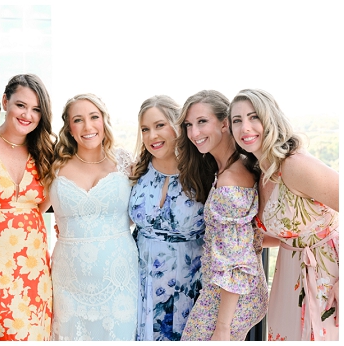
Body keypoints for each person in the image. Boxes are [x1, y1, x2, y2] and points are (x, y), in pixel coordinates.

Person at [229, 89, 338, 341]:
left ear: (271, 120)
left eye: (253, 117)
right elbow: (285, 234)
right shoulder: (260, 172)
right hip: (289, 276)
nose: (245, 127)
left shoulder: (294, 165)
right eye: (237, 120)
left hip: (328, 272)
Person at [0, 74, 56, 341]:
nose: (28, 115)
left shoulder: (46, 151)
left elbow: (39, 207)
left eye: (36, 109)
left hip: (33, 267)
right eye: (21, 105)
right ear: (5, 101)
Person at [179, 90, 267, 341]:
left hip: (229, 296)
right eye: (188, 125)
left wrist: (223, 328)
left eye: (202, 122)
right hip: (229, 291)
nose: (194, 133)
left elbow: (236, 262)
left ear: (225, 124)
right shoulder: (229, 168)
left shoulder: (230, 182)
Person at [49, 93, 138, 340]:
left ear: (104, 120)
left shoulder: (125, 162)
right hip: (69, 279)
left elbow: (144, 208)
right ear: (69, 127)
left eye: (94, 117)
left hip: (119, 277)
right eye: (78, 120)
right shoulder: (54, 165)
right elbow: (33, 207)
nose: (88, 127)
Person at [129, 95, 205, 340]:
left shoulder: (203, 170)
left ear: (177, 126)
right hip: (141, 284)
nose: (152, 136)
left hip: (191, 284)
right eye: (145, 129)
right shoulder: (136, 171)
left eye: (160, 125)